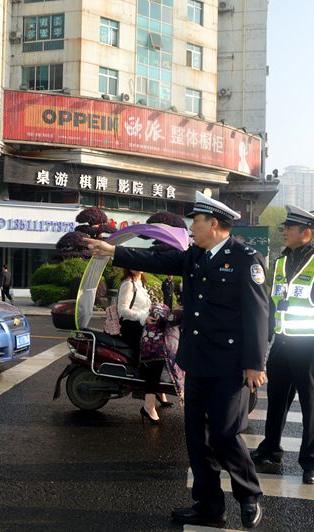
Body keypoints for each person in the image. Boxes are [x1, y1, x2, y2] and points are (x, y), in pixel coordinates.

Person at [85, 191, 267, 529]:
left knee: (226, 434)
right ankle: (209, 507)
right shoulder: (194, 256)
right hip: (196, 361)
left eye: (195, 222)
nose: (190, 228)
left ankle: (249, 495)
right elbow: (157, 261)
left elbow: (258, 313)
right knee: (197, 438)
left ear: (213, 224)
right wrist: (114, 251)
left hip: (229, 364)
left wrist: (256, 363)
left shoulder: (245, 259)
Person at [250, 205, 314, 486]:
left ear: (306, 232)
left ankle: (312, 462)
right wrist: (262, 342)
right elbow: (271, 306)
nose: (284, 232)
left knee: (311, 406)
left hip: (310, 346)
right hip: (282, 343)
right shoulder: (279, 262)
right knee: (276, 401)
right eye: (284, 228)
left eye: (289, 228)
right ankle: (271, 449)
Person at [116, 269, 169, 423]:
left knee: (165, 346)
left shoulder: (141, 283)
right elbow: (123, 310)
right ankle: (149, 405)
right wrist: (143, 317)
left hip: (143, 325)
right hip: (131, 327)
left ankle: (158, 389)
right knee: (154, 358)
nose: (138, 266)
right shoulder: (128, 284)